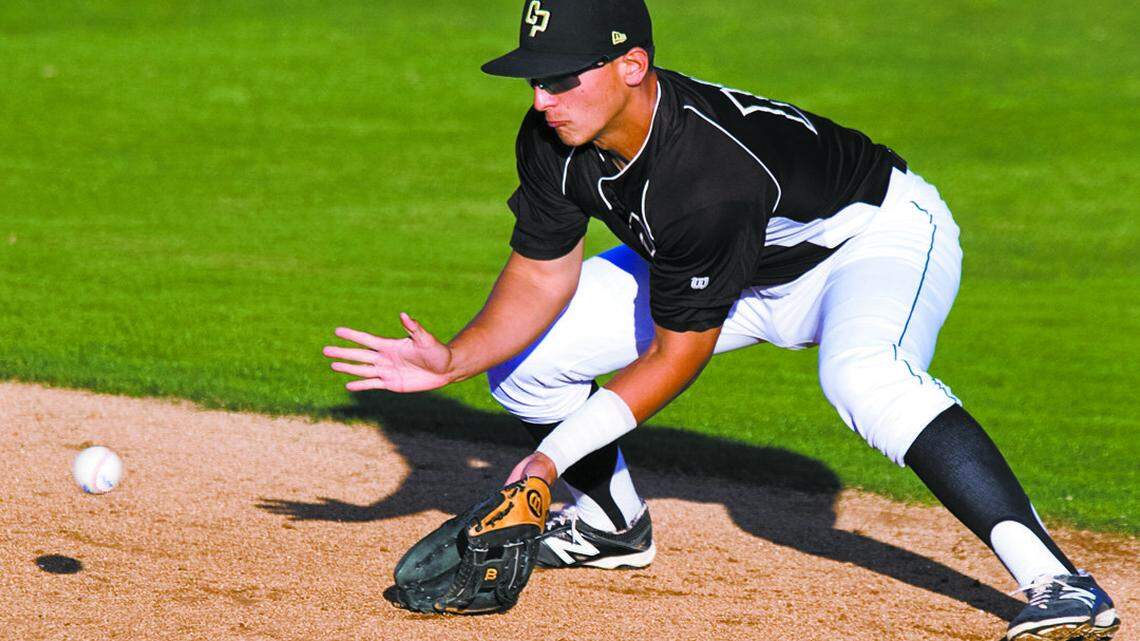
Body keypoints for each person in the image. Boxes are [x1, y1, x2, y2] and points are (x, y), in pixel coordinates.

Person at [322, 1, 1121, 639]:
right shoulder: (555, 135)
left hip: (868, 246)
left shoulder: (706, 174)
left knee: (863, 377)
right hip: (729, 262)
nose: (541, 98)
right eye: (534, 78)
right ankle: (610, 526)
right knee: (525, 364)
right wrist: (454, 358)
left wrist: (547, 459)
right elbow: (542, 270)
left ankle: (1061, 582)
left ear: (632, 66)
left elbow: (677, 356)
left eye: (561, 77)